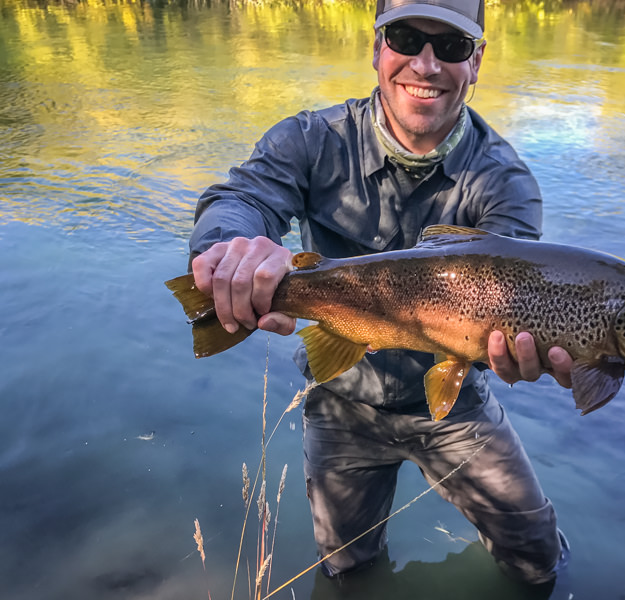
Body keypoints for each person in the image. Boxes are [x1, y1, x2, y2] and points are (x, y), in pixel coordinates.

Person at [187, 0, 573, 586]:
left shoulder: (504, 182)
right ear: (376, 48)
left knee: (538, 559)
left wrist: (528, 350)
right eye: (406, 37)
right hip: (340, 401)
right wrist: (231, 249)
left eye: (450, 47)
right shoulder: (311, 140)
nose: (425, 63)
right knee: (346, 571)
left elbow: (513, 300)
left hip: (453, 406)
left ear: (476, 63)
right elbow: (243, 199)